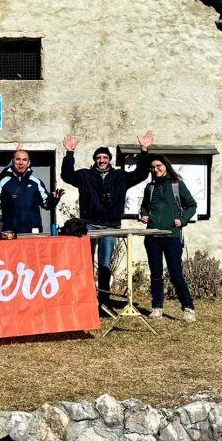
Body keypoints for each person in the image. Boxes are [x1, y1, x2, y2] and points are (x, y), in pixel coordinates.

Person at [61, 130, 154, 311]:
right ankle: (85, 300)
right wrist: (69, 154)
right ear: (95, 160)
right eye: (98, 157)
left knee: (104, 265)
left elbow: (141, 174)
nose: (102, 160)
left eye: (105, 157)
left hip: (110, 225)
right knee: (85, 263)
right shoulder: (84, 176)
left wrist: (144, 151)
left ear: (109, 159)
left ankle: (103, 301)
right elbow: (67, 175)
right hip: (88, 224)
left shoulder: (120, 177)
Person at [139, 155, 198, 322]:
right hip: (152, 236)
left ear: (166, 166)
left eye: (159, 166)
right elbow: (144, 206)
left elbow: (192, 205)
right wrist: (143, 215)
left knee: (175, 274)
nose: (156, 169)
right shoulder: (150, 187)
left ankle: (188, 308)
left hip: (171, 236)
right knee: (156, 274)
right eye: (153, 167)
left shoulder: (176, 185)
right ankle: (157, 307)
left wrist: (182, 220)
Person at [0, 148, 64, 234]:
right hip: (9, 233)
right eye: (18, 159)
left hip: (33, 232)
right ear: (13, 161)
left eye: (24, 160)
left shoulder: (36, 182)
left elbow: (47, 204)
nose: (21, 163)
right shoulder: (4, 182)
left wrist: (54, 199)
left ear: (28, 163)